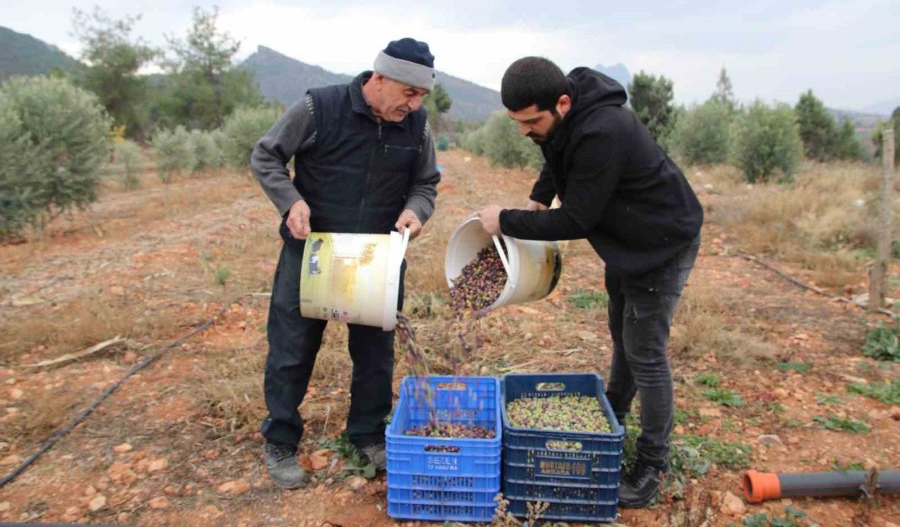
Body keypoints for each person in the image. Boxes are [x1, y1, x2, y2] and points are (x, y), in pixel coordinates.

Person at [477, 57, 703, 508]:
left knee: (646, 354)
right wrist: (539, 197)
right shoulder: (563, 113)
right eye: (517, 122)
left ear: (561, 102)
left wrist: (505, 220)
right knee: (623, 337)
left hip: (661, 240)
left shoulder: (603, 131)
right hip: (626, 238)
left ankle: (651, 467)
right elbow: (555, 152)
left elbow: (578, 218)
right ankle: (612, 417)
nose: (525, 131)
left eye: (531, 121)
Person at [250, 38, 441, 489]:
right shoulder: (319, 108)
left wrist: (417, 211)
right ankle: (279, 439)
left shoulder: (417, 127)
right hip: (311, 254)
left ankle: (369, 436)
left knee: (375, 355)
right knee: (292, 350)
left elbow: (426, 183)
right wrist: (290, 201)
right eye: (409, 93)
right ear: (378, 79)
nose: (414, 105)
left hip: (377, 259)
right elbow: (266, 156)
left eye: (421, 97)